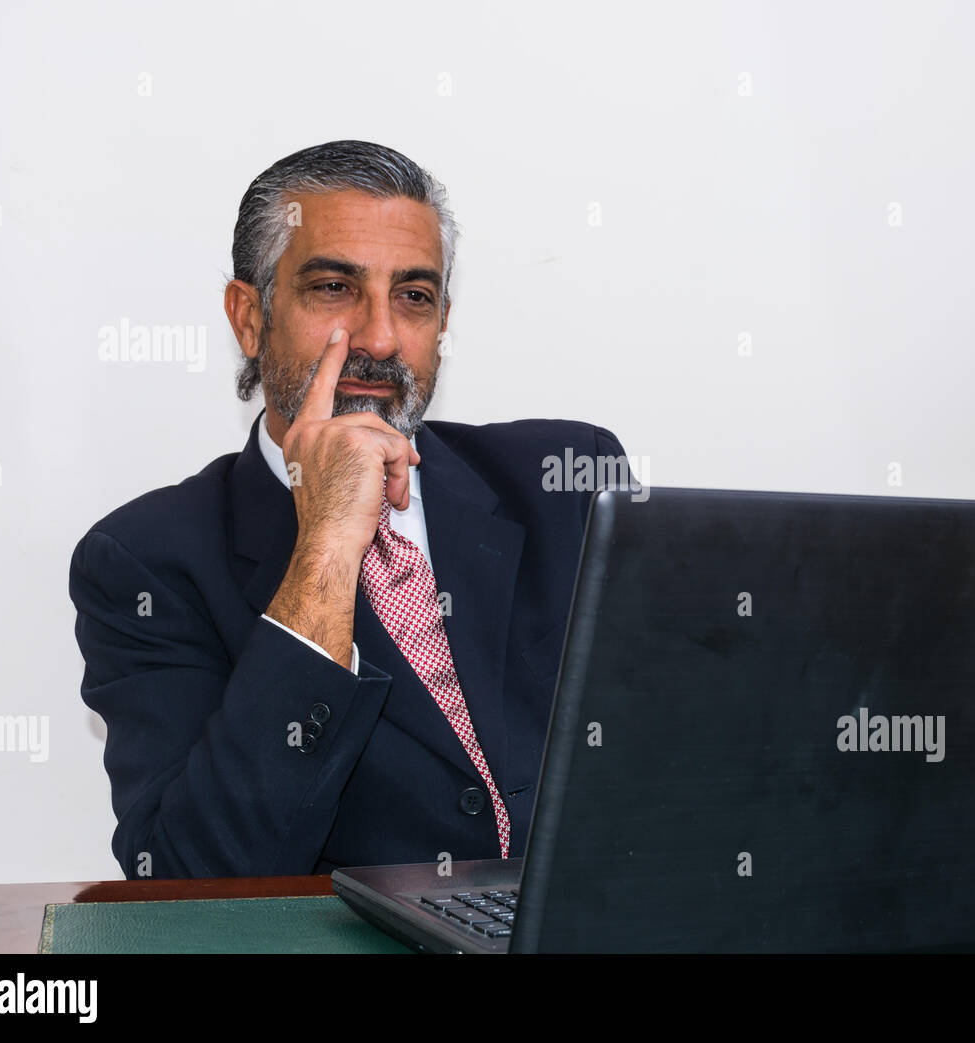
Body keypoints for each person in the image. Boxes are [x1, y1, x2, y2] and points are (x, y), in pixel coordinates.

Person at [69, 140, 630, 879]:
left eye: (413, 296)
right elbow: (193, 880)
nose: (379, 337)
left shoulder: (568, 480)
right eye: (334, 288)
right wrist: (329, 541)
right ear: (248, 316)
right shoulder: (146, 561)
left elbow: (681, 749)